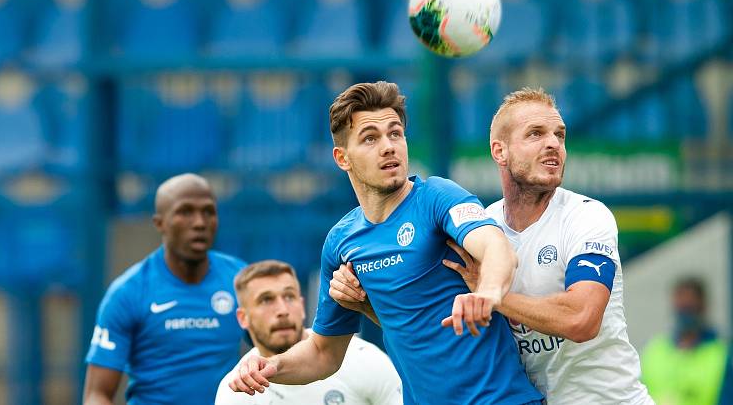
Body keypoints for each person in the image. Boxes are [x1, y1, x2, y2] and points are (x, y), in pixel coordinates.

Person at [330, 87, 654, 404]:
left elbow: (582, 319)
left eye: (560, 134)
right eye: (536, 134)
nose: (553, 143)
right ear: (500, 151)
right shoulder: (481, 226)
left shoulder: (586, 217)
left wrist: (492, 297)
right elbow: (441, 323)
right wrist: (366, 303)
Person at [229, 81, 543, 405]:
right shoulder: (342, 242)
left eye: (395, 133)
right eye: (370, 138)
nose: (388, 146)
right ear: (342, 158)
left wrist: (489, 293)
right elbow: (324, 354)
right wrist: (271, 365)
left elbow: (496, 248)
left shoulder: (437, 197)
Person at [83, 173, 246, 405]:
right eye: (185, 212)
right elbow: (97, 394)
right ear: (159, 223)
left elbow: (277, 350)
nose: (199, 223)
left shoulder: (241, 280)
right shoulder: (127, 293)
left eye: (208, 211)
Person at [215, 259, 403, 404]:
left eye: (289, 297)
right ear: (243, 318)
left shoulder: (362, 358)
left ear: (302, 305)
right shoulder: (235, 389)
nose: (282, 310)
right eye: (266, 300)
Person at [641, 277, 729, 405]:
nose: (684, 316)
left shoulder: (723, 355)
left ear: (703, 307)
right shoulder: (654, 351)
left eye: (689, 308)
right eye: (681, 308)